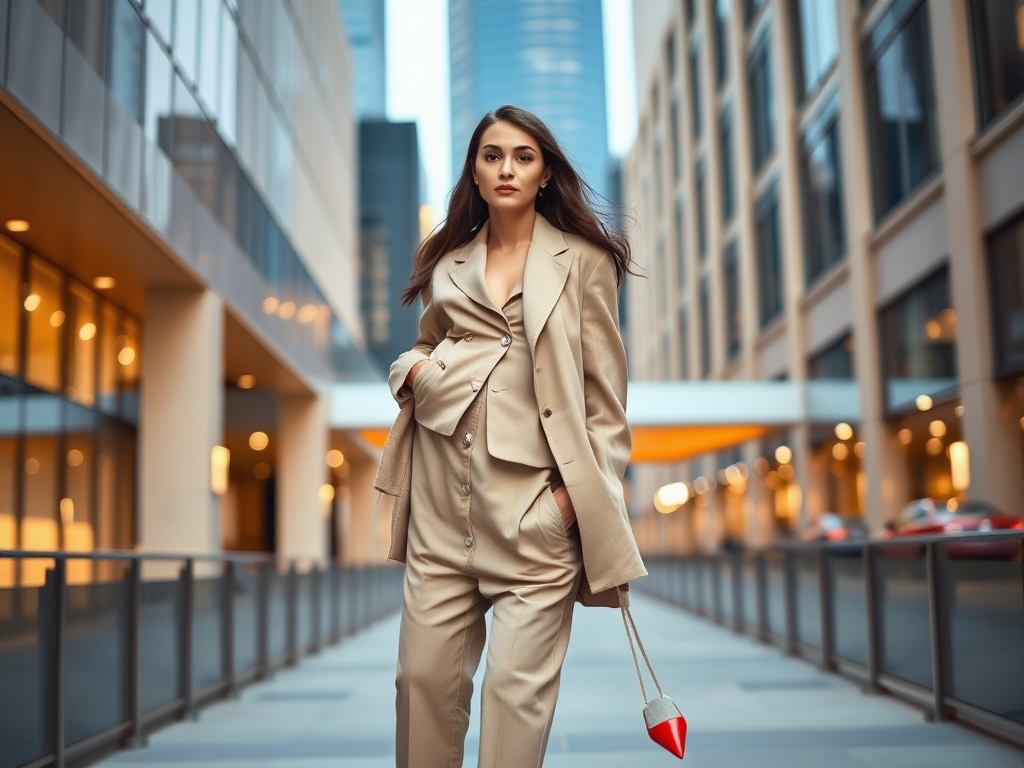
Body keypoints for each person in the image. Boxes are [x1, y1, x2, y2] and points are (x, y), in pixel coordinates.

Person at [374, 105, 647, 768]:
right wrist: (410, 372)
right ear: (475, 167)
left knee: (512, 711)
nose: (506, 168)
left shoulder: (584, 262)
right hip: (440, 516)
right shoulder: (446, 257)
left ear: (545, 171)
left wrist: (568, 507)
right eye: (492, 154)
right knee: (420, 688)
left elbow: (605, 408)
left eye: (523, 156)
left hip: (533, 521)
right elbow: (423, 347)